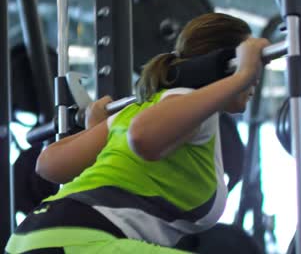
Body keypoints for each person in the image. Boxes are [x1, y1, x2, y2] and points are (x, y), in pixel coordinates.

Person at [5, 13, 270, 253]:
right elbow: (142, 137)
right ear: (227, 62)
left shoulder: (133, 113)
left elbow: (50, 165)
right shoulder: (189, 106)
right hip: (84, 239)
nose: (257, 77)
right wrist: (242, 75)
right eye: (252, 63)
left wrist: (97, 130)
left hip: (28, 239)